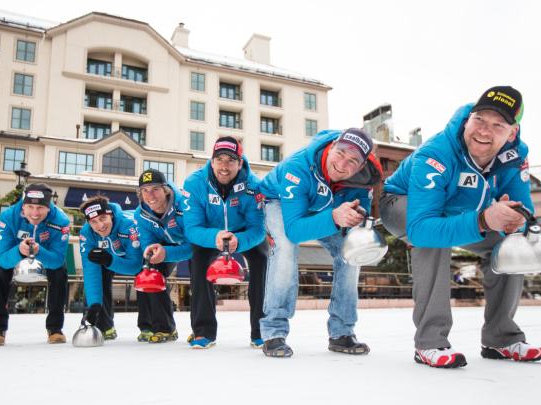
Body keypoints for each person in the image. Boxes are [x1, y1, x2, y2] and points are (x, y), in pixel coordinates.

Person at [380, 86, 541, 368]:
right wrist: (484, 220)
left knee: (509, 244)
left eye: (498, 125)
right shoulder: (436, 153)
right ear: (468, 118)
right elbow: (422, 227)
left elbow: (523, 206)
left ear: (512, 133)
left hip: (461, 209)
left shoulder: (516, 156)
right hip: (402, 202)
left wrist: (516, 221)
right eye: (480, 120)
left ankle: (502, 338)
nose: (484, 131)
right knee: (432, 237)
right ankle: (430, 342)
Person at [258, 128, 382, 357]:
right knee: (285, 248)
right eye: (341, 153)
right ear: (332, 146)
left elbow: (361, 203)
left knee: (350, 251)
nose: (343, 164)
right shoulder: (298, 166)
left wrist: (357, 216)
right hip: (279, 201)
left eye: (353, 160)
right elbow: (295, 230)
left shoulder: (365, 178)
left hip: (326, 205)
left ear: (361, 166)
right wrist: (335, 218)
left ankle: (341, 332)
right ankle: (273, 331)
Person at [182, 136, 268, 349]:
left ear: (240, 163)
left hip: (243, 232)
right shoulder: (194, 183)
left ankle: (262, 331)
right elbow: (192, 229)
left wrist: (239, 240)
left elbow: (258, 229)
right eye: (219, 159)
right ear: (211, 161)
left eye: (231, 160)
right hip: (209, 232)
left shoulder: (254, 185)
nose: (224, 166)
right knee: (198, 261)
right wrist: (214, 237)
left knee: (263, 260)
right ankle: (203, 332)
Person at [0, 183, 70, 346]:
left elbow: (58, 259)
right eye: (30, 207)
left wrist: (40, 252)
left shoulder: (61, 220)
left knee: (60, 271)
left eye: (40, 208)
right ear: (23, 205)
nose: (35, 213)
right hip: (16, 251)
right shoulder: (8, 217)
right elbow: (2, 257)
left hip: (44, 253)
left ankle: (55, 328)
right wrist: (19, 250)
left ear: (49, 207)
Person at [133, 168, 192, 343]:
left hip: (193, 241)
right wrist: (151, 252)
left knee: (199, 275)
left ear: (165, 190)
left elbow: (194, 245)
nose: (150, 195)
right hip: (164, 243)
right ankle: (159, 328)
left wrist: (167, 253)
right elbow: (147, 242)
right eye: (145, 190)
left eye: (155, 189)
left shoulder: (185, 206)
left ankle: (201, 329)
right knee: (148, 271)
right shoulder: (140, 214)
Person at [79, 195, 143, 340]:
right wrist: (93, 305)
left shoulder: (129, 225)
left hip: (140, 254)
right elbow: (91, 273)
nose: (100, 226)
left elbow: (136, 266)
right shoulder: (86, 233)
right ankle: (104, 326)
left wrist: (110, 261)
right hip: (110, 257)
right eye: (93, 222)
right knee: (97, 273)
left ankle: (151, 326)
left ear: (110, 215)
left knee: (146, 274)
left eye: (102, 219)